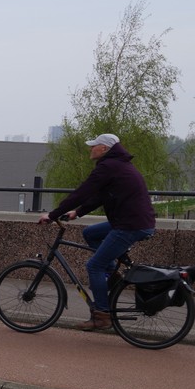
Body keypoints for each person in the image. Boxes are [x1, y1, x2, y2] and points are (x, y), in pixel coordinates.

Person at [38, 133, 156, 331]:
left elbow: (83, 192)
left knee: (94, 266)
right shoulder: (117, 165)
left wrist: (52, 214)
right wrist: (78, 212)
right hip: (133, 221)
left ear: (104, 148)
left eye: (94, 145)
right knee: (90, 233)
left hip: (130, 225)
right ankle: (112, 274)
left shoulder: (109, 166)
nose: (90, 148)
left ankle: (102, 315)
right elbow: (100, 196)